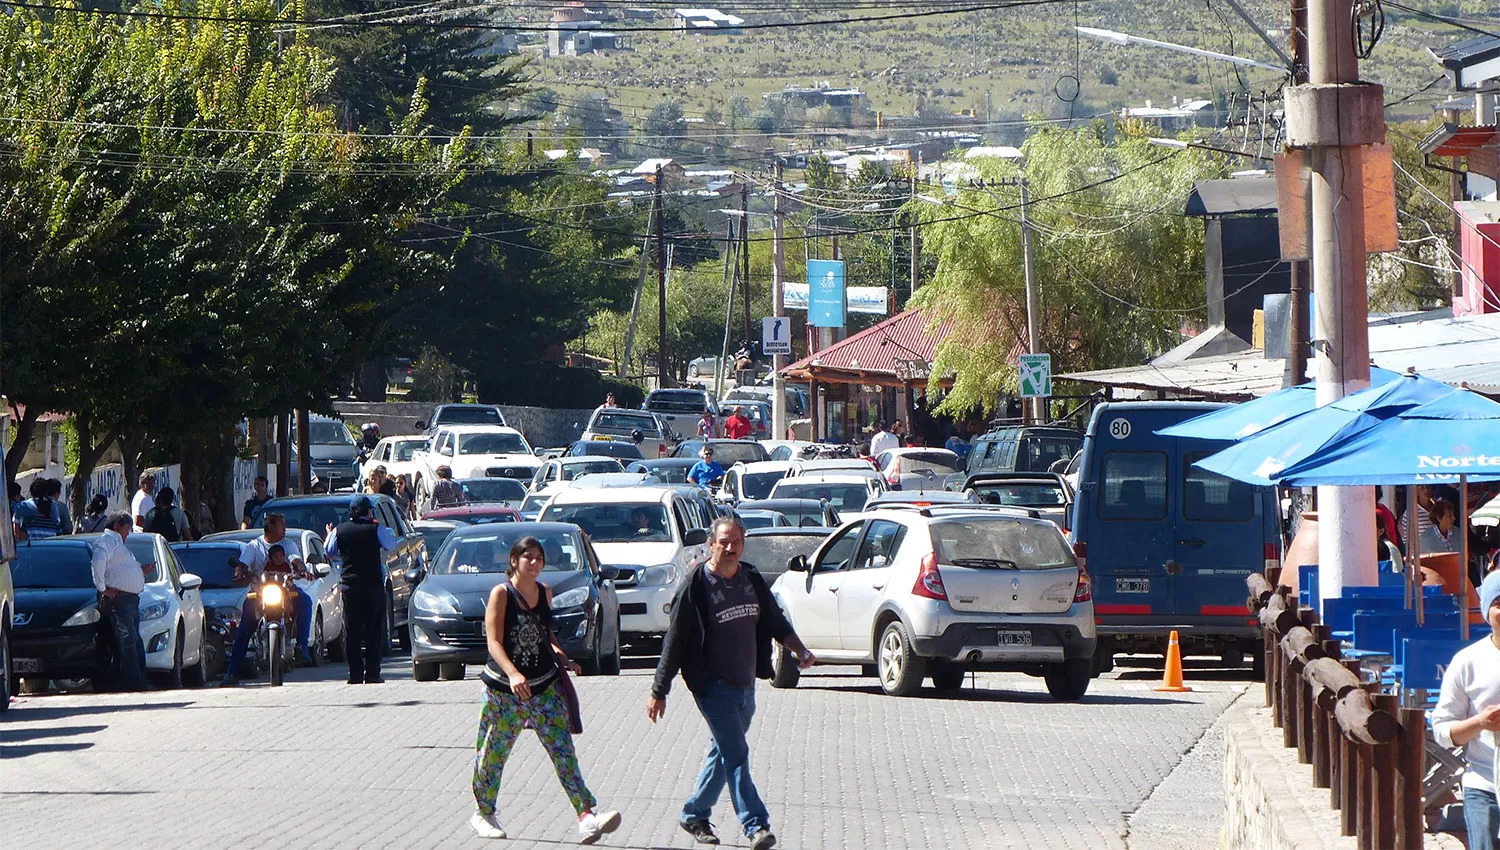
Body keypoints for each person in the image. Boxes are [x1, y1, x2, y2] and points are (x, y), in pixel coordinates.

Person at [648, 517, 815, 850]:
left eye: (735, 541)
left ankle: (694, 813)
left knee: (722, 752)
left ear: (742, 544)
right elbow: (676, 640)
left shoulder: (750, 578)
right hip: (711, 687)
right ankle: (755, 825)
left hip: (745, 684)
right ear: (711, 544)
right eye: (723, 541)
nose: (729, 548)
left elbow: (773, 619)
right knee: (737, 753)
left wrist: (800, 648)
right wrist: (659, 690)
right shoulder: (697, 584)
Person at [469, 536, 623, 843]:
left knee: (563, 752)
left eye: (539, 558)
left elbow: (545, 632)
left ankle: (587, 816)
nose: (535, 563)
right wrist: (513, 673)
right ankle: (483, 813)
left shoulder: (544, 592)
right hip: (505, 691)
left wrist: (563, 657)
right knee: (493, 754)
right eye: (528, 558)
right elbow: (494, 642)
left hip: (544, 687)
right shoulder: (502, 594)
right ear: (514, 561)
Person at [1432, 571, 1500, 850]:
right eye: (1498, 602)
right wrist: (1480, 723)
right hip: (1483, 784)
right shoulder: (1467, 662)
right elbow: (1442, 731)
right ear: (1487, 610)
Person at [222, 513, 312, 685]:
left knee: (305, 601)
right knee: (244, 629)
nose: (285, 529)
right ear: (270, 526)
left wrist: (301, 569)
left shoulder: (288, 544)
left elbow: (295, 559)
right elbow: (243, 564)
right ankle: (232, 673)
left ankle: (302, 647)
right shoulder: (254, 546)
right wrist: (240, 572)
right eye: (281, 525)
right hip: (261, 592)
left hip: (285, 589)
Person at [325, 496, 399, 684]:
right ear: (368, 511)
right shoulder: (376, 529)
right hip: (373, 587)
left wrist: (330, 533)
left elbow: (328, 550)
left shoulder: (339, 531)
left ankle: (355, 674)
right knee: (374, 631)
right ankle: (373, 673)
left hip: (350, 587)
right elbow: (391, 544)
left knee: (353, 632)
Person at [91, 512, 150, 692]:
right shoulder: (107, 541)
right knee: (128, 641)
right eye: (126, 529)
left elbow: (118, 569)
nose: (128, 533)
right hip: (120, 601)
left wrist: (140, 571)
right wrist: (103, 589)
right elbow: (98, 563)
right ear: (117, 525)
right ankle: (134, 682)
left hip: (130, 600)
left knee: (133, 640)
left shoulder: (118, 545)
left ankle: (138, 678)